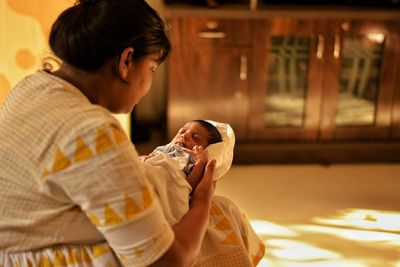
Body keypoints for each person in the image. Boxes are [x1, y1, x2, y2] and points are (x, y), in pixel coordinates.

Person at [0, 0, 217, 266]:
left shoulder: (31, 87)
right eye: (151, 69)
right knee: (217, 219)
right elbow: (166, 261)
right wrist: (203, 197)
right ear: (126, 61)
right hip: (33, 258)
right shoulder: (93, 131)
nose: (149, 82)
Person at [141, 119, 265, 266]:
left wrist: (200, 164)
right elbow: (148, 161)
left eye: (196, 138)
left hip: (168, 184)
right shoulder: (162, 150)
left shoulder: (189, 159)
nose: (185, 136)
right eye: (182, 132)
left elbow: (187, 185)